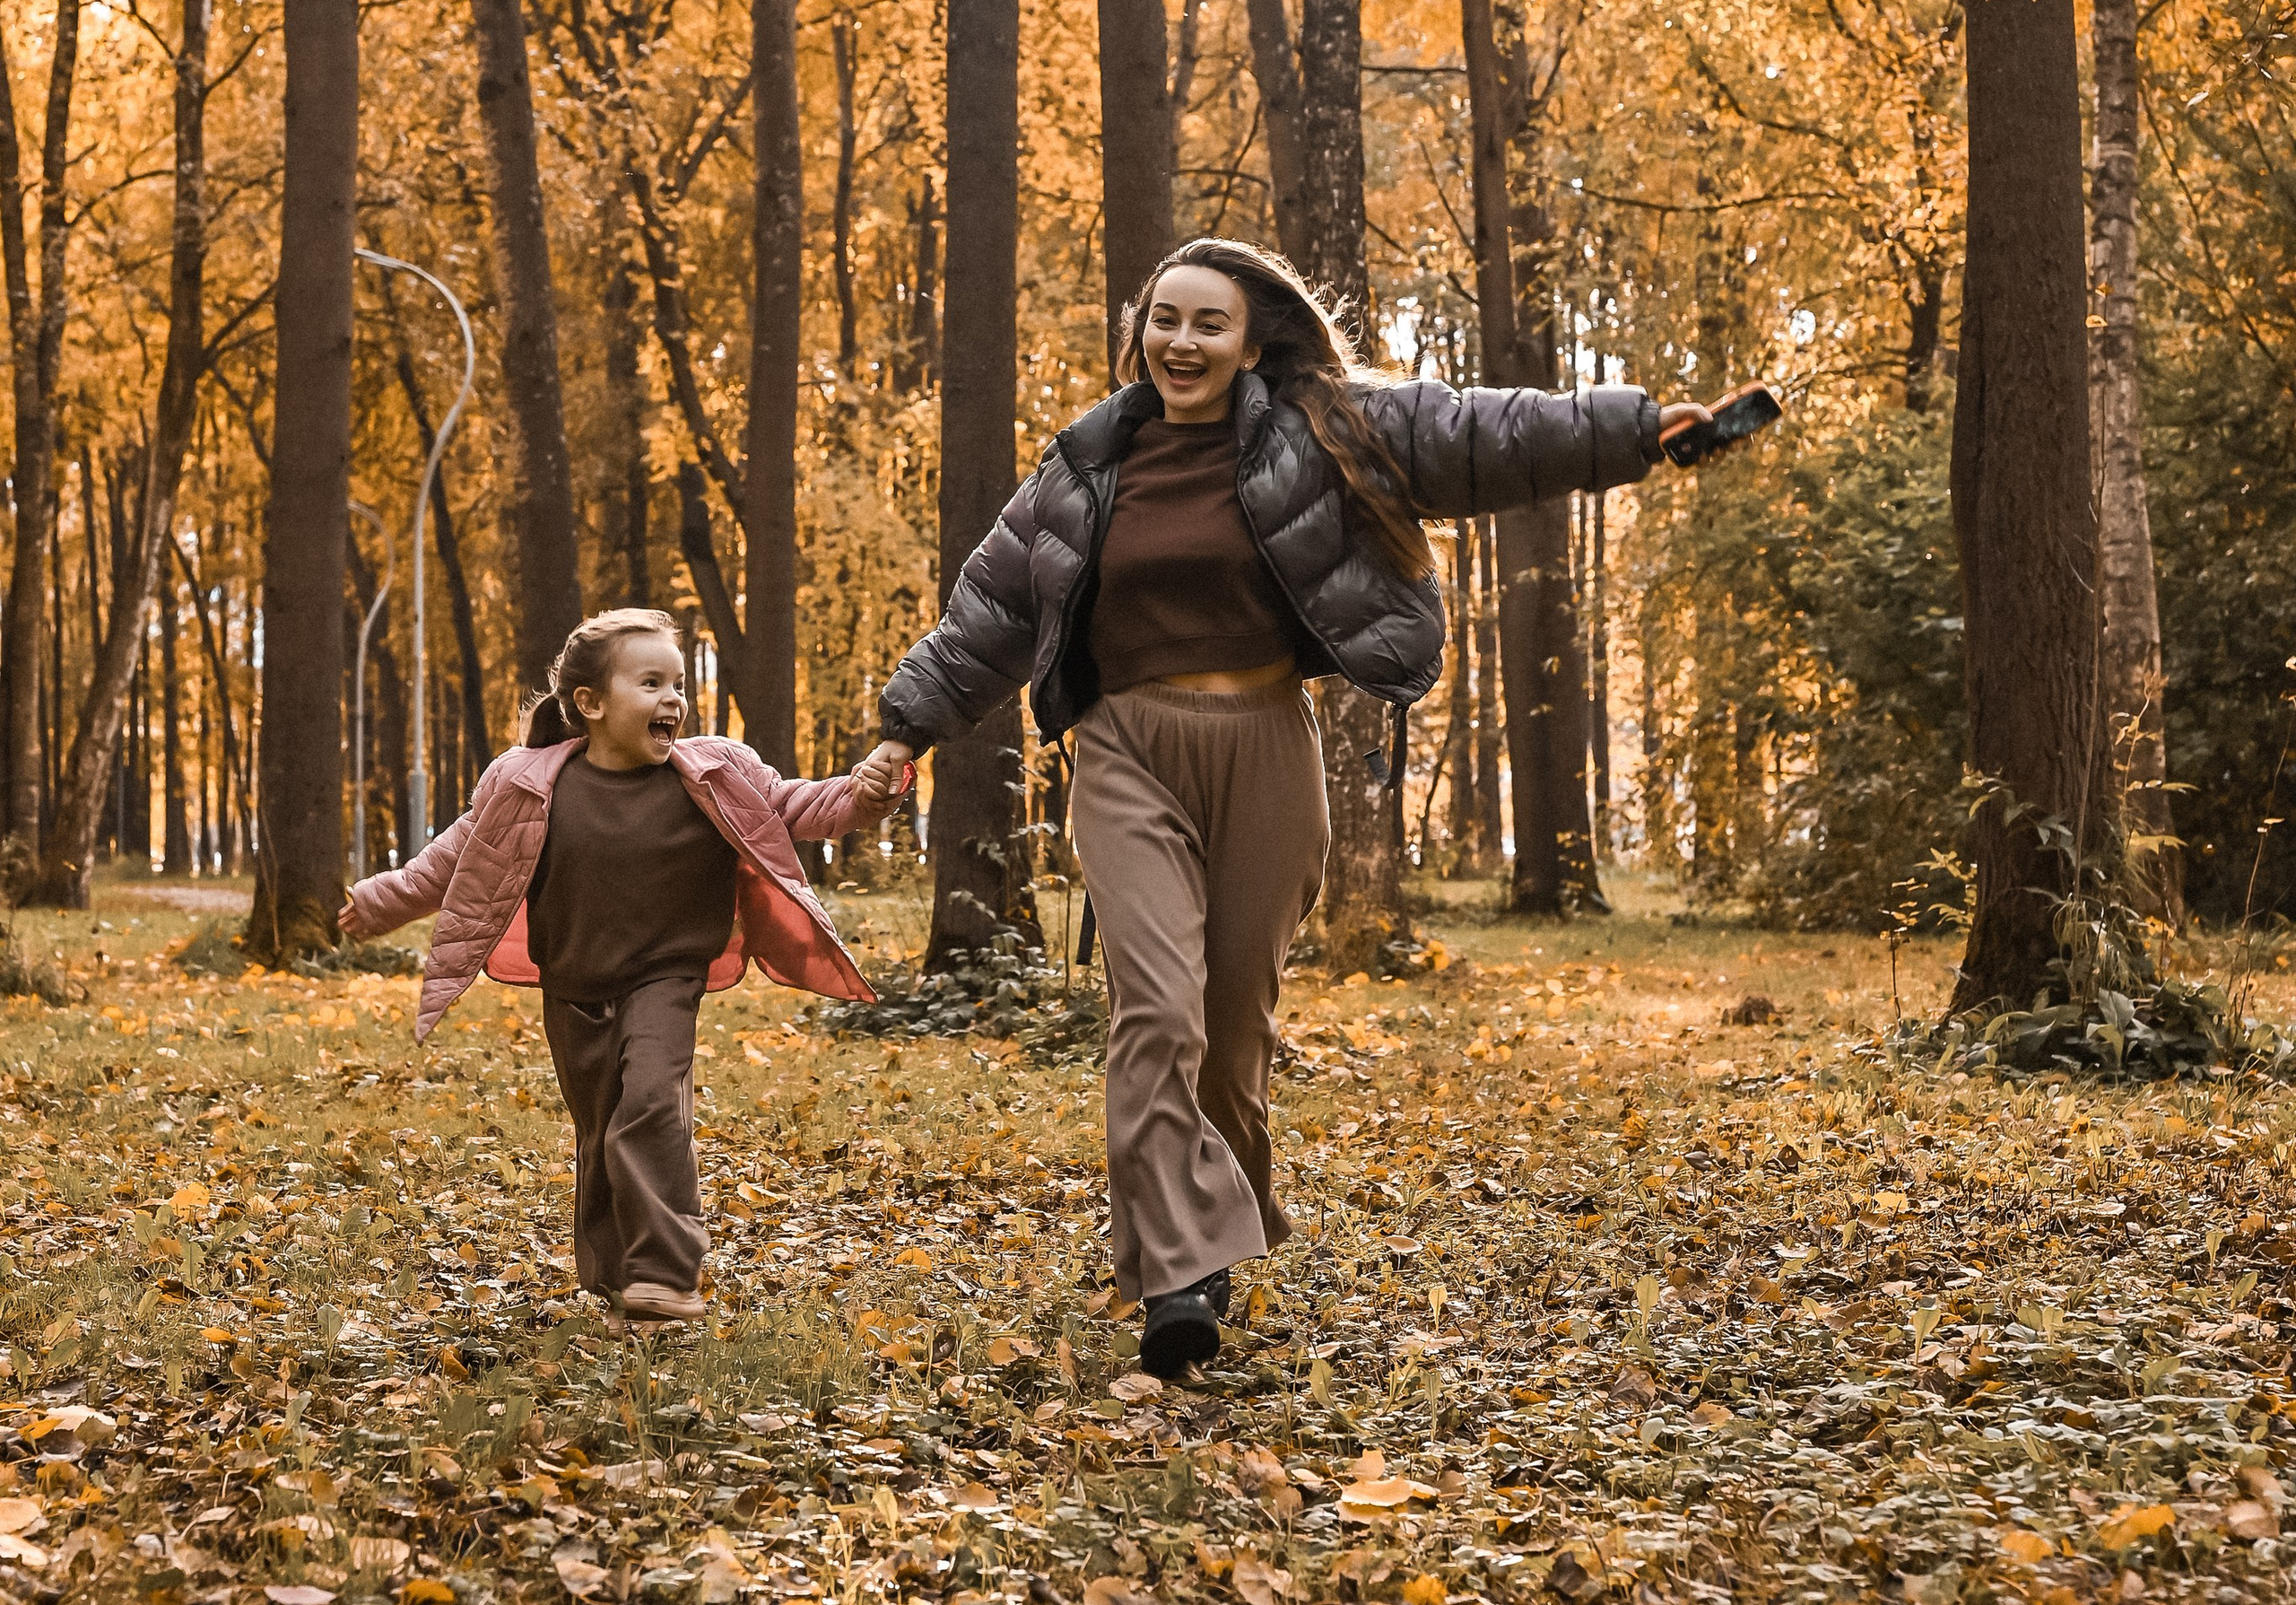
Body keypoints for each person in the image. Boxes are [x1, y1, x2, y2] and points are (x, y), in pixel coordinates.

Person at [854, 240, 1714, 1380]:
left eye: (1208, 323)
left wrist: (1636, 430)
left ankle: (1212, 1235)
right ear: (1139, 332)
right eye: (1164, 319)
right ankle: (1173, 1273)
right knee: (1156, 1010)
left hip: (1264, 743)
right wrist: (900, 733)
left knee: (1231, 1026)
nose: (1181, 342)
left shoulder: (1326, 432)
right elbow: (985, 617)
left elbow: (1481, 434)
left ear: (1253, 343)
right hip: (1125, 751)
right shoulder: (1080, 469)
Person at [342, 607, 908, 1327]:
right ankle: (617, 1279)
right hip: (573, 983)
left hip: (666, 975)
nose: (673, 698)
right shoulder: (526, 782)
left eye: (677, 684)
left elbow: (796, 805)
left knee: (648, 1102)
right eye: (651, 683)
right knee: (602, 1128)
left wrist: (863, 794)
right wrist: (379, 903)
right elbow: (454, 861)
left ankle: (667, 1275)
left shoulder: (714, 771)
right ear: (592, 703)